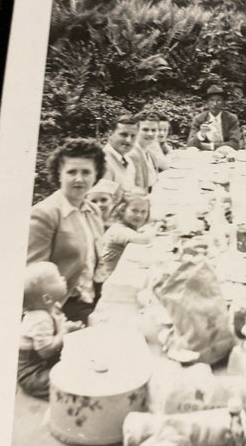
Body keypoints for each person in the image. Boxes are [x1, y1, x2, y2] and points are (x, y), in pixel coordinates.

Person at [27, 138, 106, 325]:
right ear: (59, 175)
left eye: (86, 172)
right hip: (61, 308)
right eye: (71, 172)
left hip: (92, 296)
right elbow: (33, 278)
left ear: (96, 175)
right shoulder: (45, 213)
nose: (79, 179)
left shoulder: (92, 210)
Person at [17, 262, 83, 399]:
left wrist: (70, 327)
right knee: (67, 385)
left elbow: (59, 326)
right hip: (33, 373)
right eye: (57, 278)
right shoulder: (39, 319)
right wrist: (64, 331)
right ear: (47, 298)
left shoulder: (53, 306)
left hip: (47, 362)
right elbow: (45, 351)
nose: (63, 278)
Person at [101, 192, 157, 277]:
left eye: (143, 212)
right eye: (134, 211)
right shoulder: (118, 230)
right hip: (108, 277)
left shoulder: (129, 225)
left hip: (118, 271)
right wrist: (158, 225)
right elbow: (145, 239)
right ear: (122, 210)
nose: (139, 215)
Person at [187, 85, 241, 151]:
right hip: (204, 154)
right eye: (211, 100)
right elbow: (190, 144)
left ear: (223, 103)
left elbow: (235, 144)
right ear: (207, 102)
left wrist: (209, 146)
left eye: (219, 100)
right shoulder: (199, 119)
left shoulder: (231, 118)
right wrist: (201, 134)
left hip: (225, 152)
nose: (215, 104)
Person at [102, 115, 145, 192]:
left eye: (133, 136)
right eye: (123, 135)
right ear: (110, 134)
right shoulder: (103, 162)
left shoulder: (128, 158)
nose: (128, 140)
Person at [129, 113, 160, 193]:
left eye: (154, 130)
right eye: (145, 130)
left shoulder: (149, 152)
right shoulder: (132, 154)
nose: (150, 134)